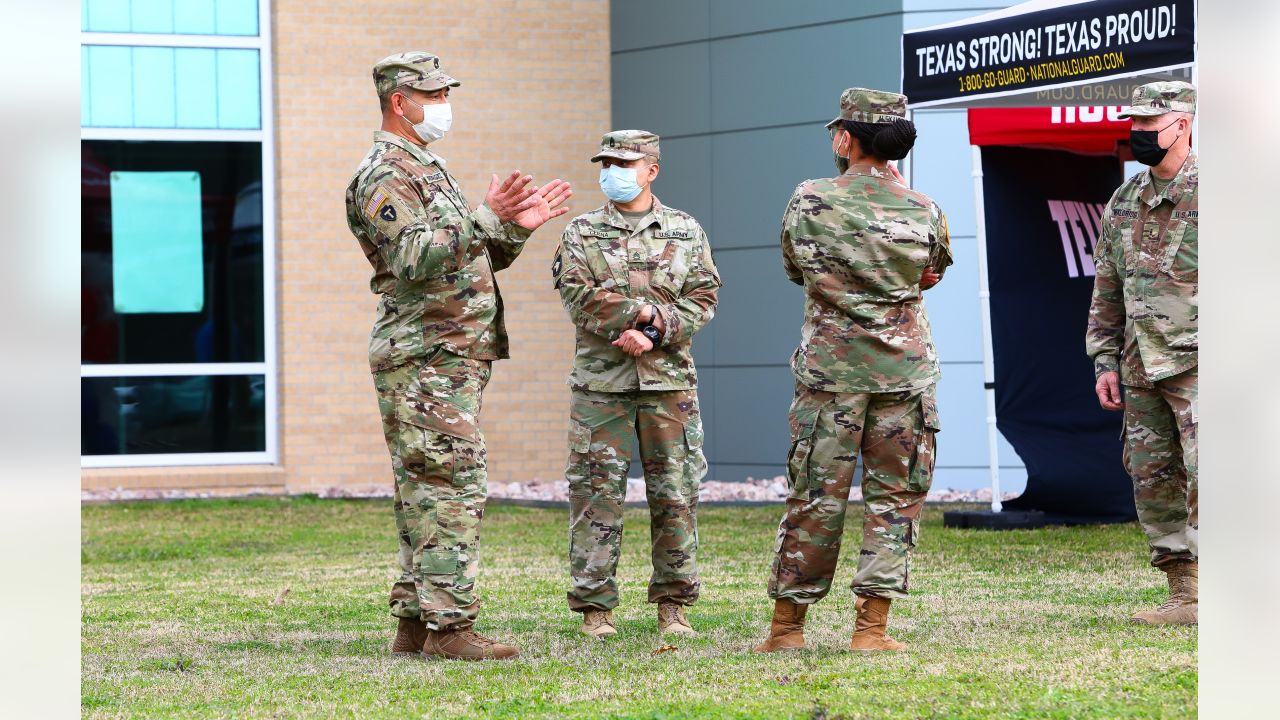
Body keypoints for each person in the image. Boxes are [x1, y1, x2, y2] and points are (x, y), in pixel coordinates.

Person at [344, 51, 572, 660]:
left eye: (446, 92)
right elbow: (415, 258)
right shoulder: (385, 175)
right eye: (435, 94)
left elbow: (468, 258)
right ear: (400, 101)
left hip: (449, 355)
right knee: (449, 484)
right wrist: (482, 215)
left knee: (426, 486)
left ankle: (416, 624)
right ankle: (451, 629)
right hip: (424, 357)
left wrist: (513, 226)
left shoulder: (425, 166)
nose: (444, 104)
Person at [753, 88, 951, 654]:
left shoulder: (810, 198)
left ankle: (787, 629)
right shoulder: (926, 208)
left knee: (816, 495)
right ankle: (872, 630)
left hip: (829, 376)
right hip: (904, 374)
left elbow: (797, 268)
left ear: (845, 138)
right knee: (895, 498)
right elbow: (930, 275)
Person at [551, 130, 721, 638]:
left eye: (625, 163)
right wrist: (637, 311)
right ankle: (595, 608)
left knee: (675, 495)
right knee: (595, 495)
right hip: (601, 386)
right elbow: (575, 292)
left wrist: (652, 332)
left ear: (652, 169)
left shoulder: (685, 230)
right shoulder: (581, 231)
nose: (613, 172)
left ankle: (673, 606)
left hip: (668, 386)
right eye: (606, 162)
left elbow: (704, 296)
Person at [1086, 81, 1198, 626]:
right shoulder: (1125, 199)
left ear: (1183, 124)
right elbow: (1107, 285)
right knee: (1153, 477)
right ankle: (1186, 595)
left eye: (1149, 126)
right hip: (1140, 365)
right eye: (1134, 125)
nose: (1138, 135)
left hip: (1204, 361)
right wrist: (1105, 360)